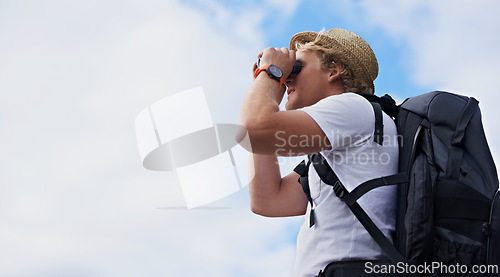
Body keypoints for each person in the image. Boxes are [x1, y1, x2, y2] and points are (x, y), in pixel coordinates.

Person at [238, 28, 399, 276]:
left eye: (297, 68)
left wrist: (270, 75)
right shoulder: (344, 133)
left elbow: (254, 130)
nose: (288, 79)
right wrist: (268, 85)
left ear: (334, 71)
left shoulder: (352, 107)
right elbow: (267, 201)